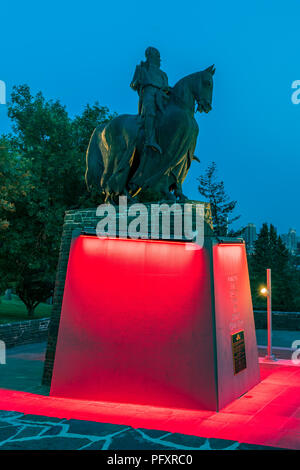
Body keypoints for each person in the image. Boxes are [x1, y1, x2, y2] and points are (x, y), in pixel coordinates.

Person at [130, 47, 169, 153]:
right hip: (148, 93)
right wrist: (139, 80)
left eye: (159, 56)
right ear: (149, 56)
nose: (158, 59)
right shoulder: (141, 68)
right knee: (150, 111)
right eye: (156, 56)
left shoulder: (163, 74)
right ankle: (149, 139)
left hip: (161, 96)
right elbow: (133, 85)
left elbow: (166, 88)